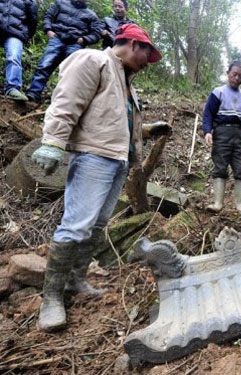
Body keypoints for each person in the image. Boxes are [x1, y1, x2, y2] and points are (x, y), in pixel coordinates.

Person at [31, 23, 162, 332]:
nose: (147, 63)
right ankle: (51, 298)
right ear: (132, 44)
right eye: (147, 54)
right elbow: (66, 102)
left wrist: (146, 132)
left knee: (98, 224)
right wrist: (52, 142)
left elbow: (112, 121)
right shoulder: (93, 60)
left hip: (115, 159)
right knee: (77, 224)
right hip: (94, 157)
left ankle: (76, 280)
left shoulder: (125, 81)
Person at [25, 0, 102, 103]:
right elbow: (48, 16)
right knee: (45, 64)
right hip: (57, 38)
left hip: (75, 43)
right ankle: (34, 92)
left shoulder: (91, 15)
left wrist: (84, 39)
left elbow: (97, 33)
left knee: (70, 72)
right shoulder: (60, 3)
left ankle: (61, 101)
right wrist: (48, 30)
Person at [202, 61, 241, 213]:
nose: (237, 78)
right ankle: (218, 203)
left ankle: (240, 205)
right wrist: (207, 131)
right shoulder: (218, 92)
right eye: (234, 74)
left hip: (239, 135)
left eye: (240, 76)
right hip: (221, 134)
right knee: (220, 166)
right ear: (228, 74)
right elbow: (208, 115)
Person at [0, 0, 38, 101]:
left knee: (14, 56)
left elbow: (33, 20)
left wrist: (25, 35)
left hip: (15, 32)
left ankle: (12, 88)